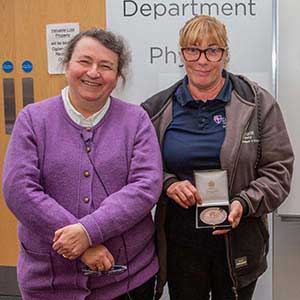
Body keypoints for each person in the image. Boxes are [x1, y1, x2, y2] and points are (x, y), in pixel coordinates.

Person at [141, 15, 294, 300]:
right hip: (180, 244)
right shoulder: (156, 109)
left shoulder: (257, 104)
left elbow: (278, 171)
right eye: (193, 50)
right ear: (181, 53)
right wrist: (169, 183)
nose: (202, 60)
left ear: (225, 54)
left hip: (238, 239)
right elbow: (140, 170)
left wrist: (244, 202)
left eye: (213, 50)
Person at [2, 28, 162, 300]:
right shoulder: (33, 119)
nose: (93, 72)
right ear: (67, 65)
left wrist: (89, 231)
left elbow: (145, 187)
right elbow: (19, 190)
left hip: (127, 281)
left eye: (106, 66)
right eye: (84, 61)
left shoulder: (136, 121)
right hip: (49, 284)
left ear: (118, 77)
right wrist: (82, 243)